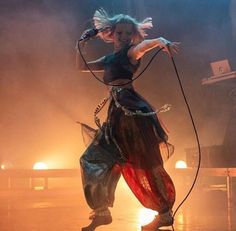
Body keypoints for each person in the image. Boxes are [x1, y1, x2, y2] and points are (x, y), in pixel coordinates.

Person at [76, 8, 179, 231]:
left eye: (127, 34)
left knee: (144, 164)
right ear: (111, 33)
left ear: (132, 36)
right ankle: (101, 212)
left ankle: (164, 214)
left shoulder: (131, 52)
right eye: (119, 33)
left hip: (131, 113)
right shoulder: (108, 58)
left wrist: (161, 41)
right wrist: (80, 45)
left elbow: (145, 45)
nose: (123, 37)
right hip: (115, 115)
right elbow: (81, 66)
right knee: (91, 159)